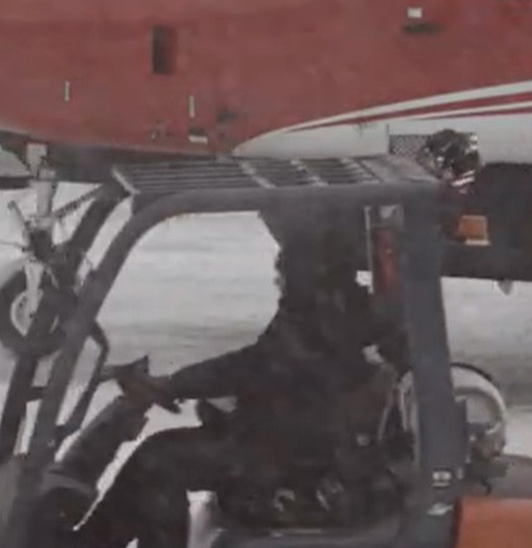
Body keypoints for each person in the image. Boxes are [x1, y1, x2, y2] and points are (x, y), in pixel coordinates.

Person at [77, 223, 407, 548]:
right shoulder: (331, 312)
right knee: (158, 457)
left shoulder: (323, 321)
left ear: (307, 274)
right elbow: (268, 369)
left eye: (284, 271)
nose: (279, 280)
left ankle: (94, 542)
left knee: (161, 462)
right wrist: (192, 391)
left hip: (301, 456)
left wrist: (175, 384)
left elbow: (253, 365)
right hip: (298, 441)